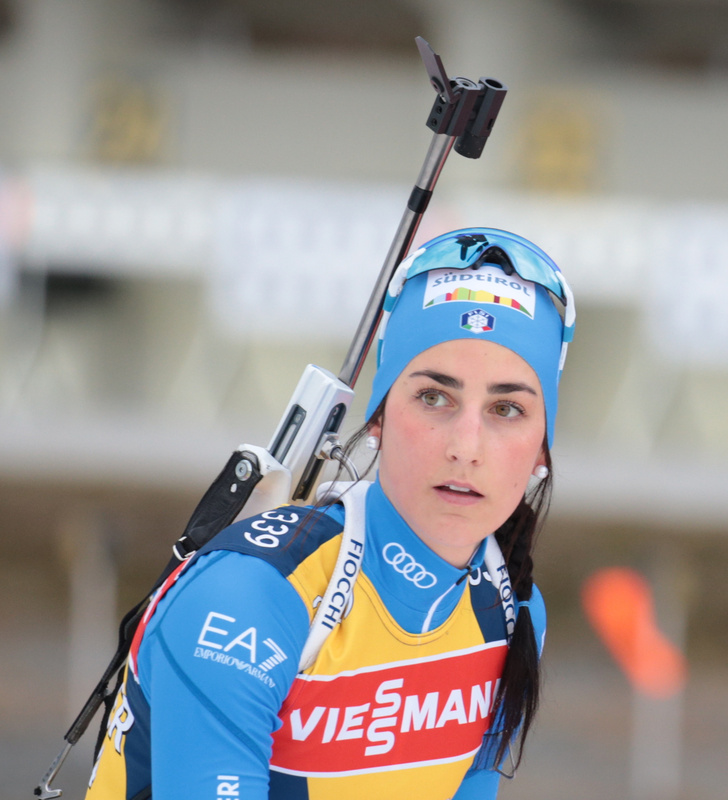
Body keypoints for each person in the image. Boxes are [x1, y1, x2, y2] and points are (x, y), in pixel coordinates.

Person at [84, 227, 575, 800]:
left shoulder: (509, 609)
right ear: (378, 419)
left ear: (542, 450)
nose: (466, 447)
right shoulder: (249, 598)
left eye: (506, 409)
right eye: (434, 397)